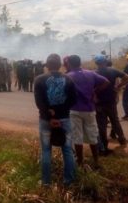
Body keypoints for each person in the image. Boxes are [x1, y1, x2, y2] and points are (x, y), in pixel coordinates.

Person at [34, 54, 77, 186]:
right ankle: (68, 181)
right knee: (67, 150)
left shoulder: (39, 79)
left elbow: (39, 102)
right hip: (64, 118)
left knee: (46, 150)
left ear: (46, 66)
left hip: (46, 120)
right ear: (60, 65)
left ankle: (46, 182)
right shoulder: (68, 79)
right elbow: (73, 100)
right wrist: (60, 114)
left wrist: (50, 116)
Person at [67, 55, 109, 167]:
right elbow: (106, 82)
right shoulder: (90, 73)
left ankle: (80, 161)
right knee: (92, 135)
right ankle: (96, 160)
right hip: (89, 109)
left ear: (69, 64)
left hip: (74, 109)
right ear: (80, 62)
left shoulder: (68, 76)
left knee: (77, 136)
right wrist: (95, 91)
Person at [93, 55, 128, 154]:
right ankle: (122, 139)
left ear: (96, 63)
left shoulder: (94, 73)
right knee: (115, 120)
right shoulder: (113, 71)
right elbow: (127, 78)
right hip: (111, 100)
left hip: (99, 102)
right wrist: (118, 86)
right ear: (105, 61)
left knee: (102, 124)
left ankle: (104, 144)